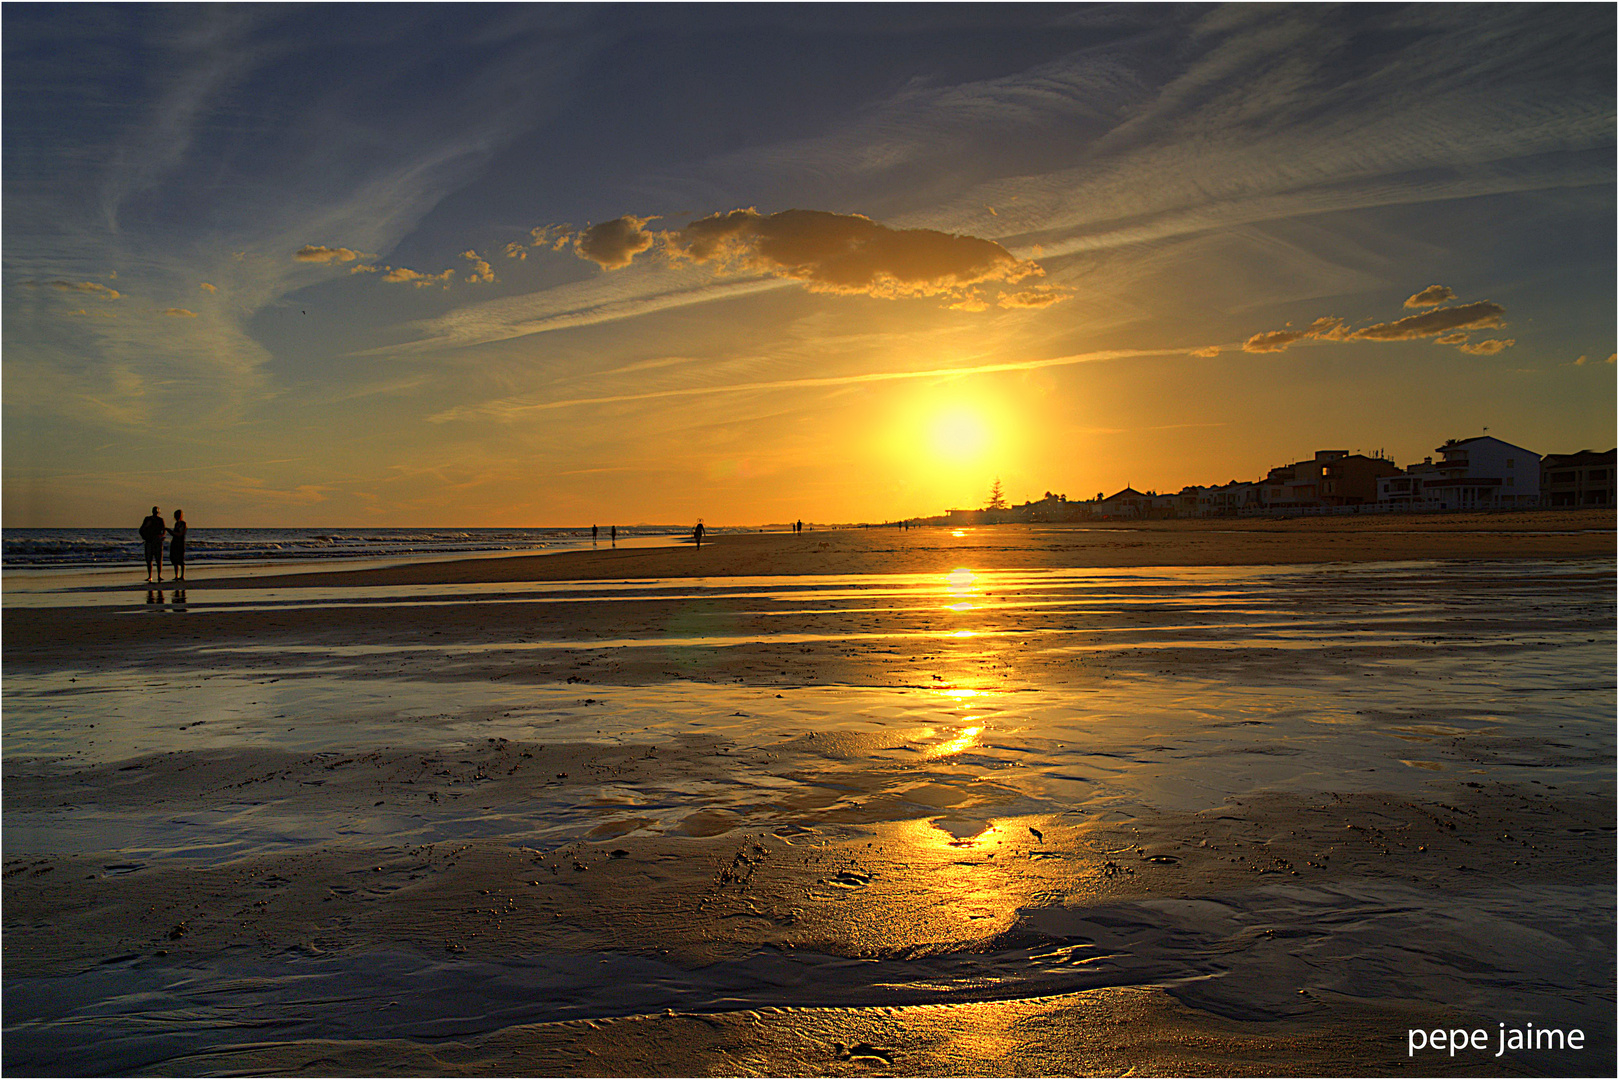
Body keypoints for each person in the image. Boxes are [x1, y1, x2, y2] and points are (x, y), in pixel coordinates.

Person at [139, 506, 166, 582]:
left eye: (156, 512)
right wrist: (145, 537)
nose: (155, 514)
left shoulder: (160, 520)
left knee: (158, 559)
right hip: (149, 541)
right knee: (149, 559)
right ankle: (150, 576)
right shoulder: (147, 519)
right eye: (155, 512)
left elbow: (163, 531)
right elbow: (141, 530)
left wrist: (160, 537)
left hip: (157, 542)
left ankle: (159, 575)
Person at [170, 509, 188, 581]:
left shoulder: (183, 524)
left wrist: (169, 531)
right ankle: (176, 575)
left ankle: (182, 575)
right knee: (174, 560)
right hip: (174, 542)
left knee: (181, 559)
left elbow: (179, 534)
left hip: (180, 543)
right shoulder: (176, 524)